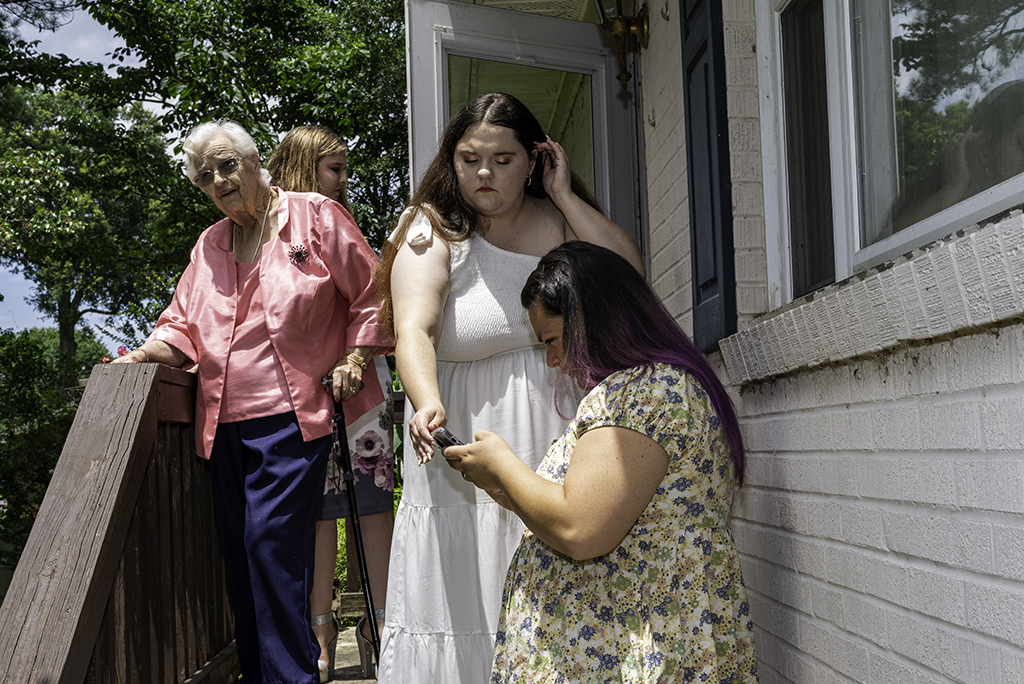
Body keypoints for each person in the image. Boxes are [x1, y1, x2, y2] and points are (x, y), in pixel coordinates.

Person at [373, 92, 644, 682]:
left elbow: (629, 277)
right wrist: (427, 400)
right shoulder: (431, 229)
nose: (484, 173)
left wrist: (565, 195)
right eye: (470, 159)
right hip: (465, 431)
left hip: (556, 433)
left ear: (533, 161)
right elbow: (414, 330)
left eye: (502, 159)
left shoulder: (559, 222)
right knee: (465, 597)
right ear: (452, 161)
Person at [114, 120, 391, 684]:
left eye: (226, 165)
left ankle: (291, 677)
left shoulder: (315, 216)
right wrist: (141, 355)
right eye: (204, 176)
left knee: (270, 544)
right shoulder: (210, 245)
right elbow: (180, 326)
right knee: (241, 558)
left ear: (255, 160)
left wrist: (356, 357)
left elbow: (373, 292)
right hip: (221, 424)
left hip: (295, 417)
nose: (217, 180)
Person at [442, 241, 759, 683]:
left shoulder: (642, 393)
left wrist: (503, 465)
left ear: (593, 319)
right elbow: (614, 512)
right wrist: (509, 489)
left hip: (634, 643)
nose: (553, 361)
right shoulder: (646, 389)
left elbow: (582, 530)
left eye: (551, 340)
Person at [267, 124, 394, 680]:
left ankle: (379, 623)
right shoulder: (270, 228)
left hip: (357, 391)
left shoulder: (329, 216)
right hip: (302, 400)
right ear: (304, 165)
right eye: (334, 169)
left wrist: (356, 359)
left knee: (372, 506)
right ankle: (322, 629)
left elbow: (376, 293)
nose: (344, 180)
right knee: (319, 515)